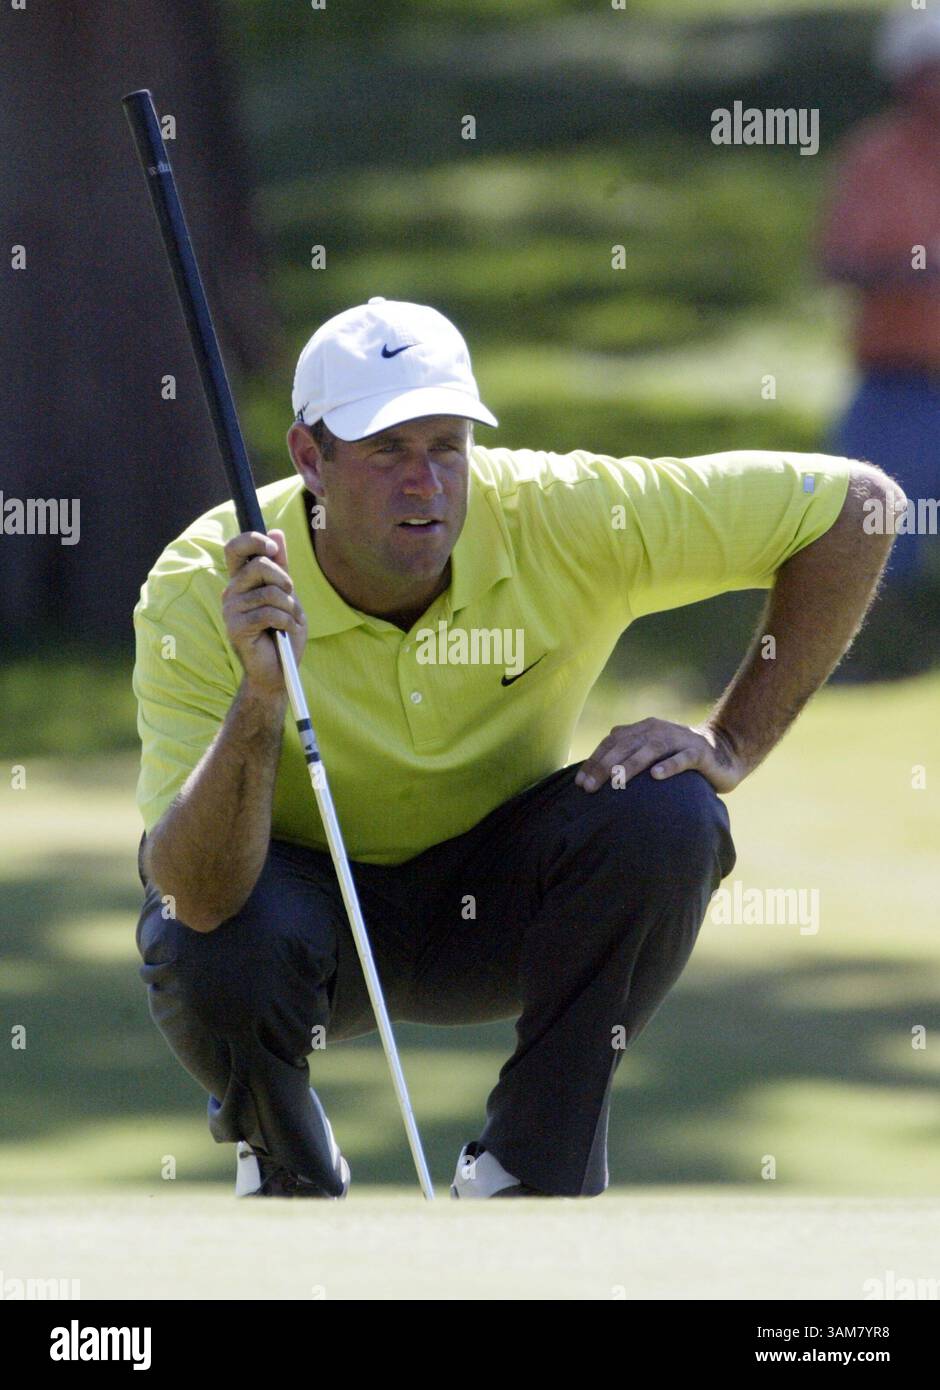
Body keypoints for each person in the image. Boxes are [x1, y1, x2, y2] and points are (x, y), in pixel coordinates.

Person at [132, 296, 901, 1199]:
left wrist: (729, 739)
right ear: (311, 459)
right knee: (204, 940)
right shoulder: (203, 586)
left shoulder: (567, 514)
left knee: (668, 812)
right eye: (387, 451)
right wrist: (260, 703)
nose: (425, 483)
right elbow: (194, 892)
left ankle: (529, 1175)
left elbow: (860, 508)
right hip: (305, 926)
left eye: (445, 446)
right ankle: (289, 1167)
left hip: (499, 910)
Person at [819, 6, 940, 601]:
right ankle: (878, 658)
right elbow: (838, 261)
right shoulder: (877, 156)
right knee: (876, 544)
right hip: (899, 382)